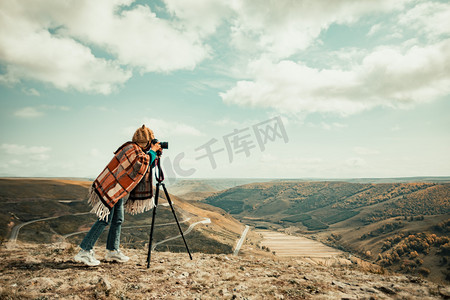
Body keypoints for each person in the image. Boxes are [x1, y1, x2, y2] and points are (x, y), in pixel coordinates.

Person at [74, 125, 162, 266]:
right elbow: (140, 165)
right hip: (112, 188)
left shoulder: (136, 150)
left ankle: (112, 251)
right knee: (104, 220)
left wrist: (154, 155)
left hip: (118, 189)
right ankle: (84, 251)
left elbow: (145, 168)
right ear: (147, 141)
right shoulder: (131, 150)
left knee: (118, 219)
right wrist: (152, 152)